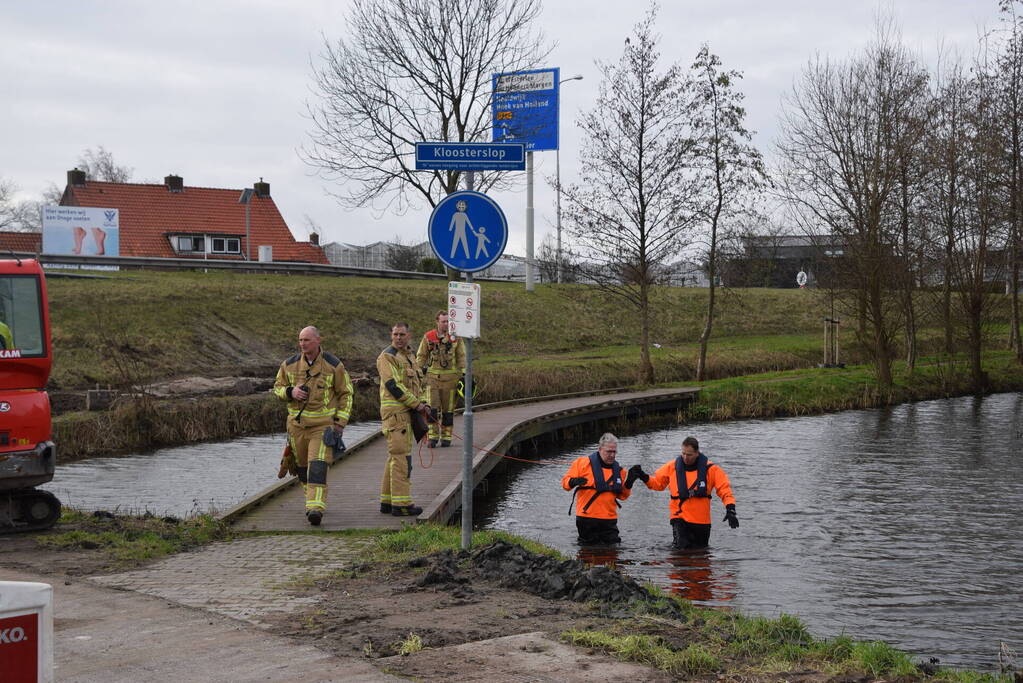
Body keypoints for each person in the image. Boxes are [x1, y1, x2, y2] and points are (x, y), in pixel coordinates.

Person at [273, 326, 353, 526]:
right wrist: (291, 392)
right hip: (297, 428)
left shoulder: (334, 365)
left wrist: (340, 423)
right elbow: (277, 388)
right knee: (302, 469)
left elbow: (346, 394)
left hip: (322, 427)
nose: (302, 344)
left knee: (317, 466)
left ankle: (315, 508)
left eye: (306, 340)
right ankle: (311, 500)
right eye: (300, 340)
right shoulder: (289, 364)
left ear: (318, 340)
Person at [630, 436, 739, 550]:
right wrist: (643, 476)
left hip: (701, 521)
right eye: (683, 454)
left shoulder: (711, 469)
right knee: (680, 550)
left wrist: (730, 510)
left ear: (697, 453)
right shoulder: (672, 467)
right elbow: (658, 484)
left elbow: (724, 490)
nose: (685, 458)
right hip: (679, 517)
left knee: (701, 555)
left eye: (689, 455)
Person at [378, 322, 432, 516]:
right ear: (391, 335)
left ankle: (387, 501)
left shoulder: (410, 357)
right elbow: (394, 386)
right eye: (395, 334)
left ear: (409, 335)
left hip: (407, 412)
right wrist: (417, 404)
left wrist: (424, 402)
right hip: (395, 414)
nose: (398, 338)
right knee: (402, 459)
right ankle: (401, 505)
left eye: (402, 334)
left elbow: (420, 383)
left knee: (395, 457)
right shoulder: (387, 356)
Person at [561, 433, 643, 545]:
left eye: (614, 452)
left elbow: (622, 496)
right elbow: (565, 485)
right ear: (600, 449)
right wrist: (573, 481)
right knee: (587, 553)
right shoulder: (582, 464)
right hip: (586, 518)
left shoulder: (620, 471)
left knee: (613, 552)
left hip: (609, 519)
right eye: (609, 451)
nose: (612, 455)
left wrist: (629, 482)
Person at [416, 310, 466, 448]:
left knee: (448, 411)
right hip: (432, 380)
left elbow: (461, 356)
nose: (446, 324)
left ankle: (446, 437)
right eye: (443, 321)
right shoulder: (428, 337)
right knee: (432, 410)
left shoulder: (456, 338)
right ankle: (432, 437)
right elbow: (421, 356)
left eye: (448, 321)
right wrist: (416, 372)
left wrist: (464, 374)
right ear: (437, 322)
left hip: (451, 380)